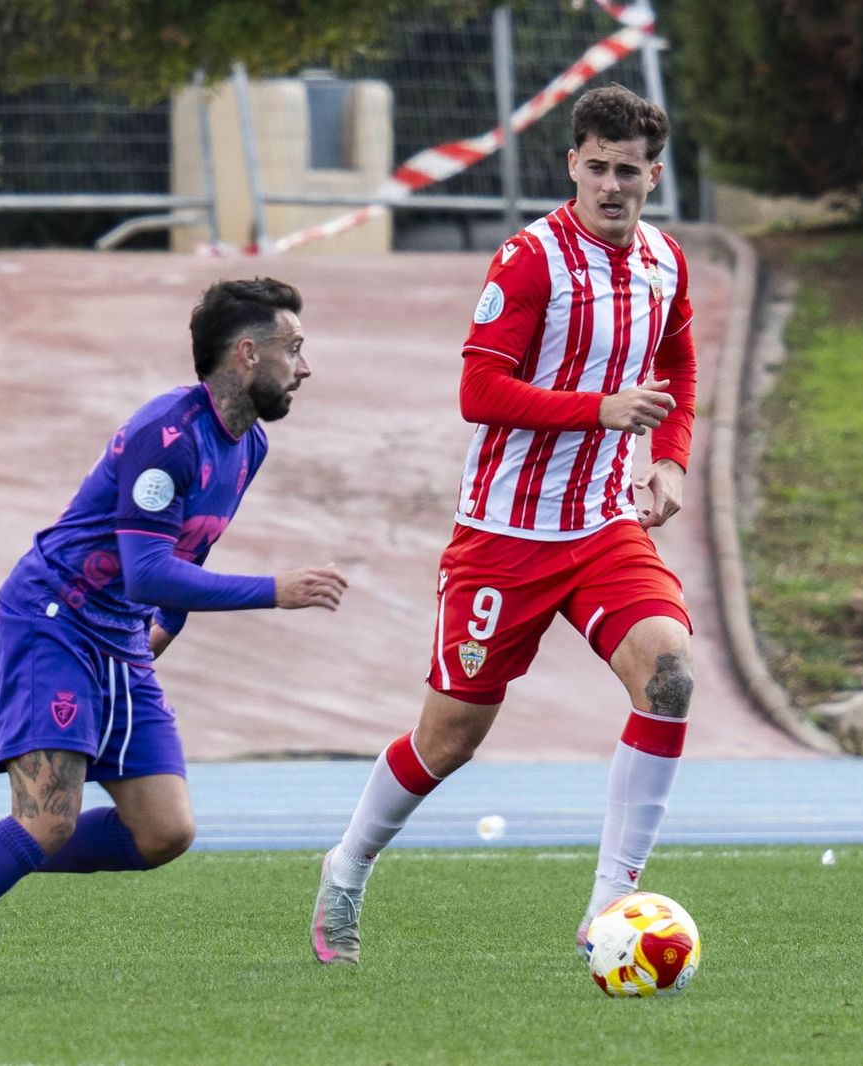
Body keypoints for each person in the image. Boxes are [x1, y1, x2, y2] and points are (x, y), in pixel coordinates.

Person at [0, 277, 347, 995]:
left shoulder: (249, 446)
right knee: (49, 819)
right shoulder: (167, 435)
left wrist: (166, 629)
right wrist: (274, 591)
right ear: (247, 354)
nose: (303, 366)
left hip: (116, 639)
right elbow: (149, 572)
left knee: (164, 832)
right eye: (293, 349)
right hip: (51, 621)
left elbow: (188, 554)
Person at [311, 83, 698, 965]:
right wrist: (600, 410)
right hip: (504, 537)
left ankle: (610, 907)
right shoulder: (530, 262)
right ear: (571, 164)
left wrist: (669, 457)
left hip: (602, 527)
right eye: (595, 167)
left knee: (669, 677)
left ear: (653, 175)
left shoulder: (665, 264)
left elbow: (677, 361)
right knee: (450, 737)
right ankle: (347, 864)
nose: (609, 185)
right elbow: (477, 392)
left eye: (627, 172)